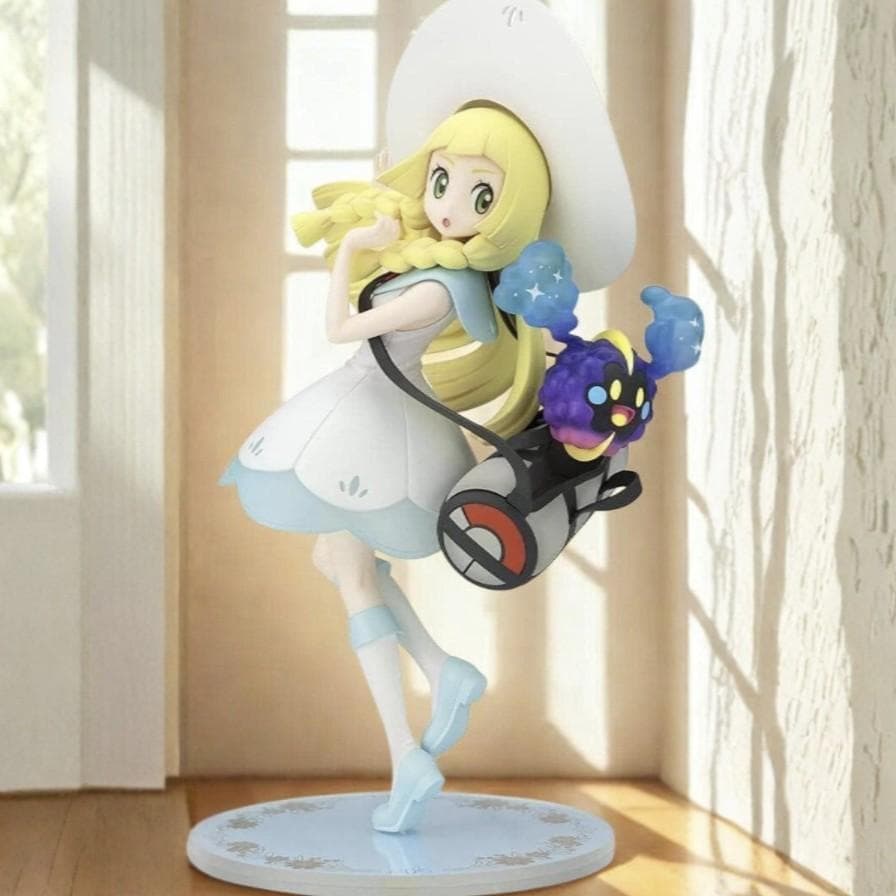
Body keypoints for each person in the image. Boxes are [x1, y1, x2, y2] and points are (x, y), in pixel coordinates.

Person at [220, 105, 552, 833]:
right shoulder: (436, 267)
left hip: (371, 419)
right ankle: (438, 670)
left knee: (346, 569)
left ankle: (407, 749)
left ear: (505, 214)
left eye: (480, 194)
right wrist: (386, 222)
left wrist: (353, 248)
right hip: (371, 413)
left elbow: (340, 327)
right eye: (441, 179)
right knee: (339, 561)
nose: (449, 203)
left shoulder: (441, 288)